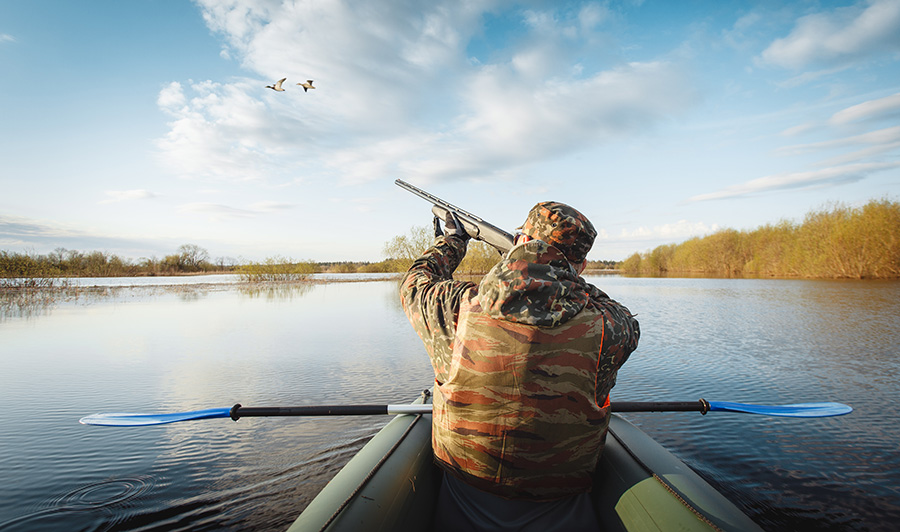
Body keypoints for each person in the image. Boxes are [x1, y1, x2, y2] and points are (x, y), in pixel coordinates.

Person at [399, 201, 641, 531]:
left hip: (462, 502)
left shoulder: (454, 307)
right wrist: (559, 274)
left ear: (520, 242)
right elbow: (617, 310)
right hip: (564, 512)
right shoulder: (612, 327)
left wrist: (454, 239)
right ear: (580, 264)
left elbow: (416, 281)